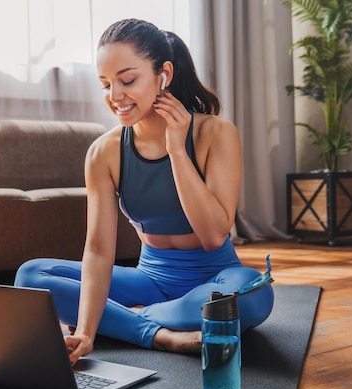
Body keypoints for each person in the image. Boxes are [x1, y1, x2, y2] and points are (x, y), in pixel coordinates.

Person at [15, 18, 274, 365]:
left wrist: (178, 150)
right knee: (31, 277)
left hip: (214, 277)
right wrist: (87, 333)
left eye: (127, 80)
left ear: (163, 75)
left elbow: (214, 235)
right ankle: (160, 334)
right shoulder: (103, 152)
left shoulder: (216, 133)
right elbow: (98, 250)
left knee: (253, 294)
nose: (114, 96)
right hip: (149, 279)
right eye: (106, 84)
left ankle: (129, 318)